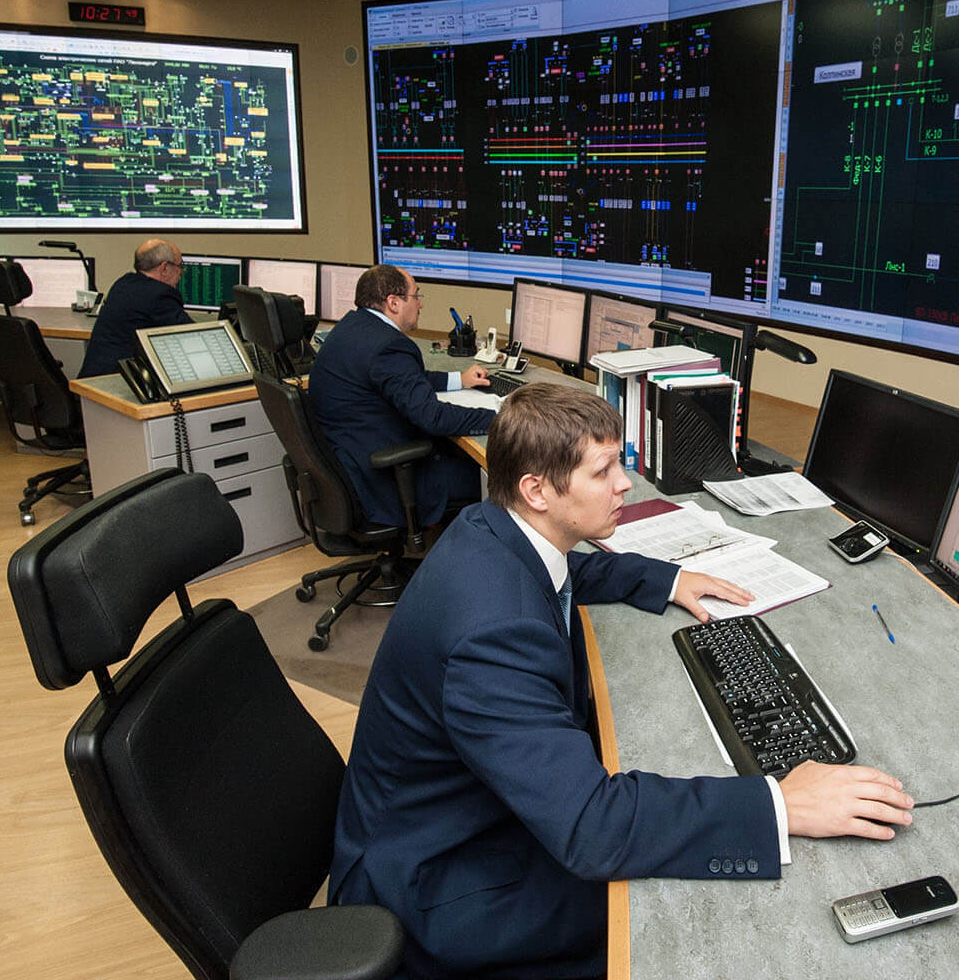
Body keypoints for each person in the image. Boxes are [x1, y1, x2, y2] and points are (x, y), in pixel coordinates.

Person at [330, 383, 915, 978]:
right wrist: (779, 804)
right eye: (603, 470)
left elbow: (562, 571)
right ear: (536, 490)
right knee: (684, 918)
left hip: (447, 817)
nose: (624, 484)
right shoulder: (492, 635)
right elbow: (591, 827)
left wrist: (666, 580)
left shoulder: (491, 530)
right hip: (431, 883)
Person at [310, 264, 496, 528]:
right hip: (386, 483)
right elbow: (432, 417)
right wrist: (498, 418)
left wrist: (459, 379)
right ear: (394, 303)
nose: (420, 305)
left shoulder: (352, 327)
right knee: (498, 477)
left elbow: (404, 379)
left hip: (350, 465)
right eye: (416, 296)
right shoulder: (389, 346)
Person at [77, 238, 192, 378]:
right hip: (114, 384)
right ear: (164, 268)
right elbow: (192, 337)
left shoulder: (123, 282)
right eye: (180, 266)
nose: (181, 273)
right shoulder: (159, 294)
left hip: (91, 379)